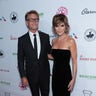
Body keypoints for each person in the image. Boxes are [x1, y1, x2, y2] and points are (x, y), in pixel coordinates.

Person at [17, 10, 51, 96]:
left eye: (36, 19)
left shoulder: (45, 37)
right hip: (31, 75)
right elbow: (20, 60)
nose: (35, 22)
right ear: (26, 22)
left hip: (45, 74)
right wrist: (23, 76)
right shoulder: (22, 40)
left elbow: (51, 52)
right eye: (32, 20)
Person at [48, 14, 77, 96]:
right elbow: (56, 57)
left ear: (66, 26)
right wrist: (42, 54)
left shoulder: (71, 41)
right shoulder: (53, 41)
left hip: (66, 76)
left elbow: (74, 61)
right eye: (57, 26)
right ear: (54, 27)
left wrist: (73, 79)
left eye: (62, 25)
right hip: (55, 75)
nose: (59, 29)